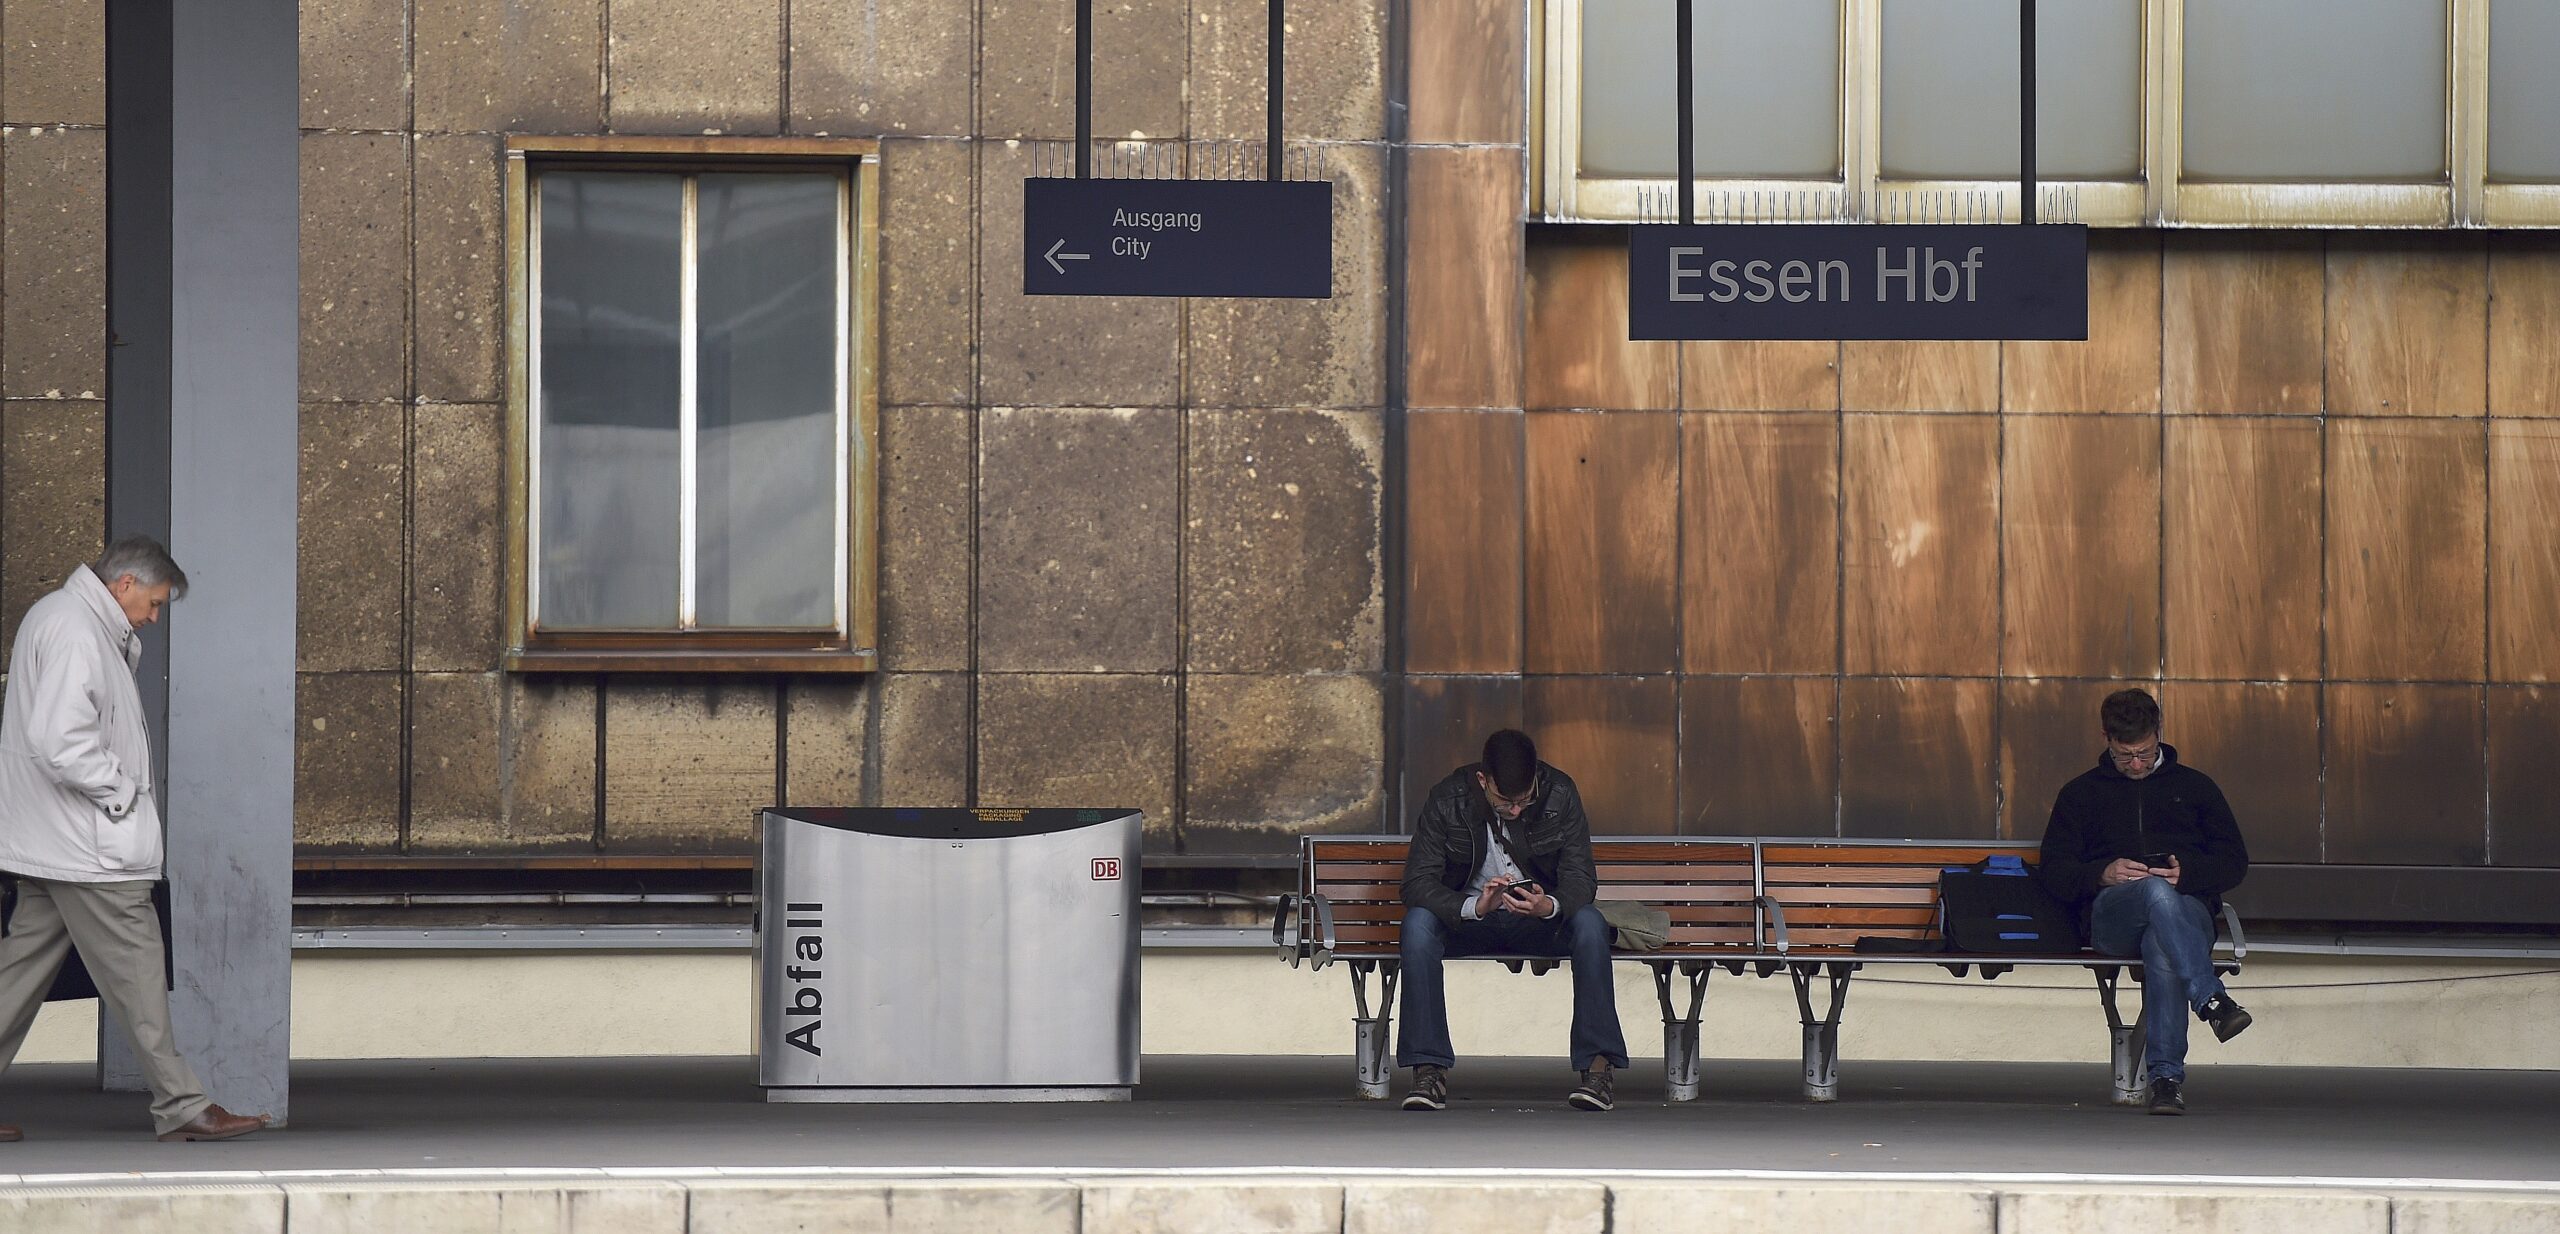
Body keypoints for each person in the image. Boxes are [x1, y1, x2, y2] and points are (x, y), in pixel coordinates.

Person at [0, 537, 266, 1142]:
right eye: (153, 603)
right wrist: (119, 794)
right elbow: (60, 740)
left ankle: (183, 1104)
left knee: (16, 978)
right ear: (123, 584)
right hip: (88, 848)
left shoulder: (63, 619)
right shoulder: (75, 630)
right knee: (140, 969)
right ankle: (183, 1105)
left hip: (55, 842)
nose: (153, 616)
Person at [2036, 688, 2253, 1116]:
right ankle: (2211, 998)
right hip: (2113, 916)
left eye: (2144, 753)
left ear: (2159, 735)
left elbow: (2233, 861)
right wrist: (2102, 873)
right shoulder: (2081, 794)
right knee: (2155, 894)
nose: (2135, 764)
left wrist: (2186, 873)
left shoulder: (2195, 787)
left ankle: (2167, 1080)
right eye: (2124, 756)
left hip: (2183, 911)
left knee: (2161, 941)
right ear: (2106, 739)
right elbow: (2055, 871)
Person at [1395, 729, 1628, 1112]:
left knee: (1589, 924)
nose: (1516, 810)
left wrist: (1548, 905)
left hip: (1538, 920)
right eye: (1505, 801)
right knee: (1418, 926)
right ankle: (1428, 1071)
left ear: (1536, 776)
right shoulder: (1447, 798)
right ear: (1483, 781)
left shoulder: (1560, 793)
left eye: (1524, 799)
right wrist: (1472, 907)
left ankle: (1598, 1070)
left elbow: (1581, 877)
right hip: (1469, 919)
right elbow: (1417, 882)